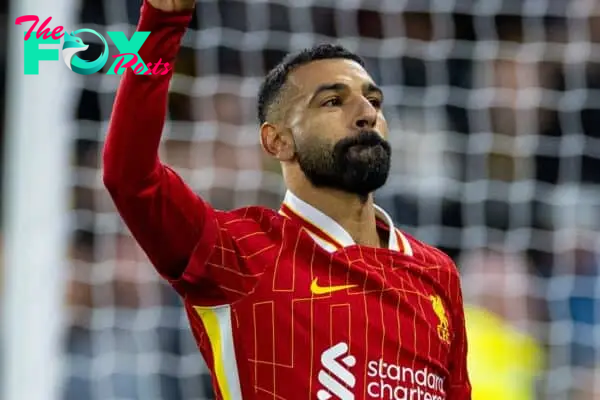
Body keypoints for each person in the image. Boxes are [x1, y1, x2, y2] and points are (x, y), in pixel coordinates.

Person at [102, 0, 472, 398]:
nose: (366, 112)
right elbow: (130, 177)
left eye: (374, 101)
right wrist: (162, 21)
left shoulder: (436, 272)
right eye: (333, 101)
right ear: (276, 140)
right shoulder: (241, 252)